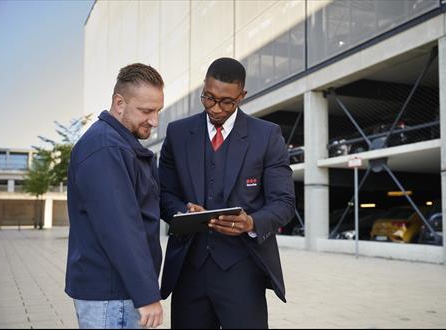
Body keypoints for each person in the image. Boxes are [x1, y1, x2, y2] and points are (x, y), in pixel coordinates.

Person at [159, 57, 295, 329]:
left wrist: (252, 222)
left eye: (226, 102)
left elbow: (284, 202)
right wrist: (183, 211)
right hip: (189, 270)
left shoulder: (267, 135)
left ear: (242, 96)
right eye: (208, 98)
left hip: (243, 271)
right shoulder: (177, 133)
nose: (215, 108)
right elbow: (163, 194)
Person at [65, 63, 165, 329]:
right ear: (119, 103)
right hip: (113, 297)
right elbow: (120, 228)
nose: (154, 120)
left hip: (118, 292)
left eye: (158, 110)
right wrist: (146, 295)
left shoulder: (118, 145)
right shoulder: (105, 148)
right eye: (146, 111)